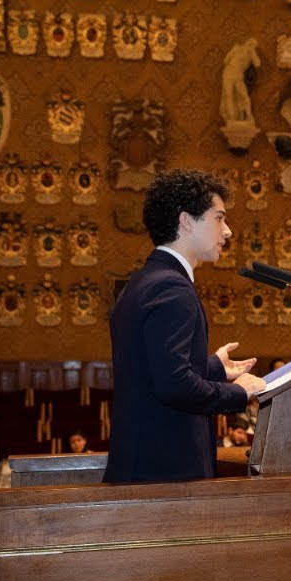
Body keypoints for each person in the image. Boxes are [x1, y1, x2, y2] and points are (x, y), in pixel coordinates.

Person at [103, 169, 265, 484]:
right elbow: (173, 386)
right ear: (186, 221)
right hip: (165, 472)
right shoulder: (172, 289)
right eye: (219, 218)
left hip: (146, 466)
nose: (228, 231)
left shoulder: (144, 280)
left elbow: (153, 369)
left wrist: (215, 367)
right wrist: (238, 392)